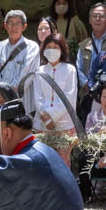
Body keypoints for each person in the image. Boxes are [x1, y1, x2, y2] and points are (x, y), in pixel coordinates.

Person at [33, 34, 78, 167]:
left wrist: (52, 116)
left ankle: (64, 187)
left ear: (62, 49)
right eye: (48, 47)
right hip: (42, 124)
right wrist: (46, 118)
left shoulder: (70, 70)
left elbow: (69, 96)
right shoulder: (39, 71)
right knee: (42, 161)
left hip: (64, 124)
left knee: (63, 162)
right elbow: (37, 97)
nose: (51, 50)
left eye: (55, 47)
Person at [76, 3, 106, 102]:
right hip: (88, 94)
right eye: (94, 16)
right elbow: (78, 68)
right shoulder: (83, 45)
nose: (97, 19)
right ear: (89, 20)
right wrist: (86, 85)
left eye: (101, 16)